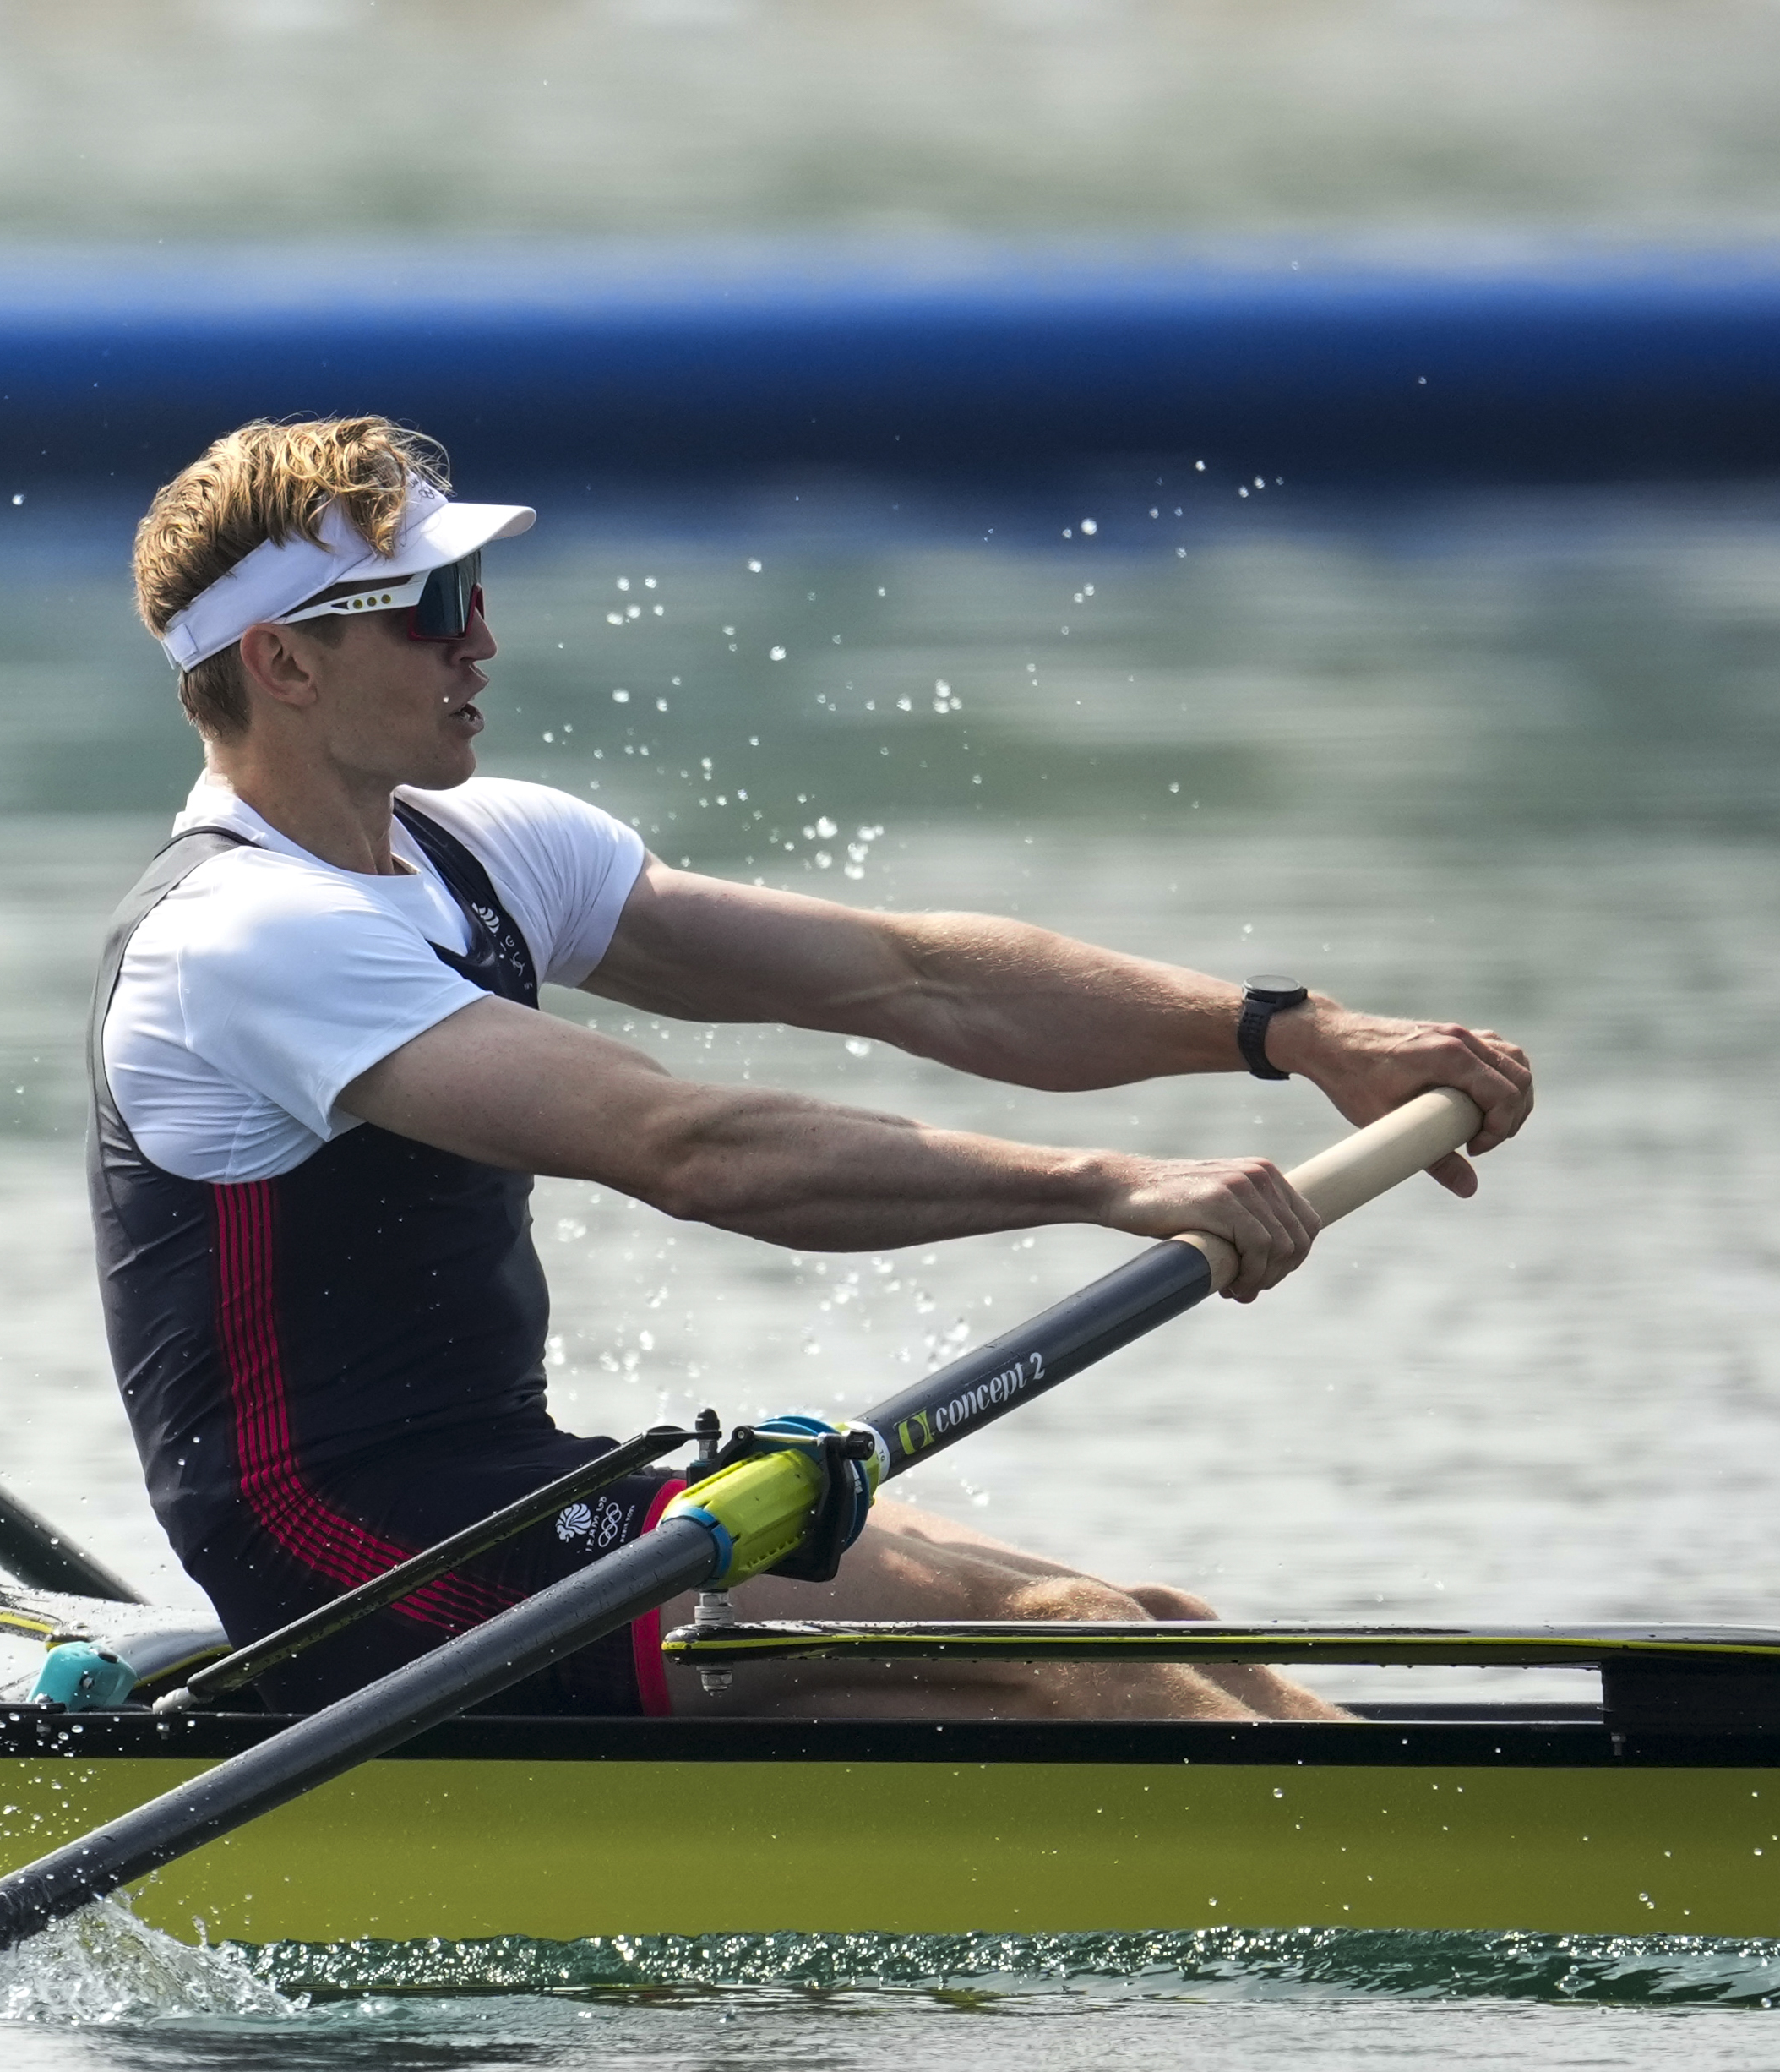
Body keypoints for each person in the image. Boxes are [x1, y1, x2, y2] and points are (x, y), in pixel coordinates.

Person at [97, 416, 1535, 1722]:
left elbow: (912, 976)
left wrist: (1288, 1031)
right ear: (283, 661)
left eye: (474, 598)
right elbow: (686, 1147)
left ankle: (1457, 1880)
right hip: (352, 1563)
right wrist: (1117, 1186)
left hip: (510, 1492)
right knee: (1076, 1639)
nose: (480, 642)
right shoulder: (245, 935)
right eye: (431, 609)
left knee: (1158, 1626)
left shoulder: (481, 846)